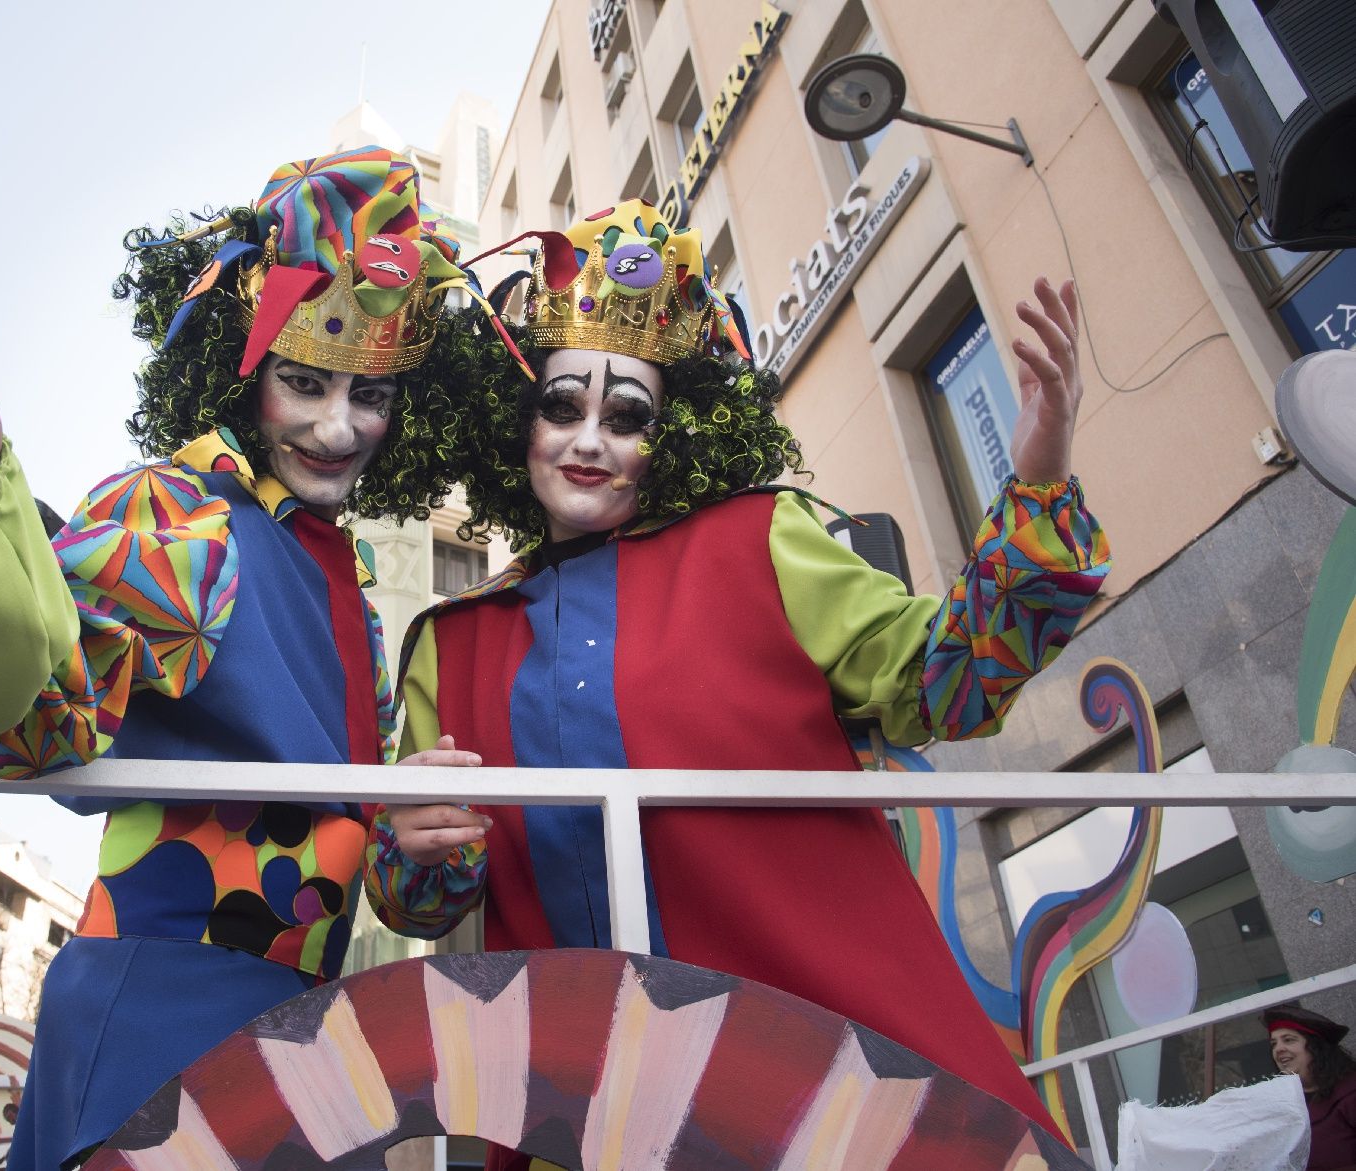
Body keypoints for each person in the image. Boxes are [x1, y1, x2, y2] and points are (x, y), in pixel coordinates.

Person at [364, 200, 1110, 1157]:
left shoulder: (764, 538)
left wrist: (1038, 483)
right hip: (581, 1113)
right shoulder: (449, 642)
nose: (589, 440)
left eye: (627, 416)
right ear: (517, 423)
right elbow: (420, 904)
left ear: (673, 435)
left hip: (829, 1082)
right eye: (561, 406)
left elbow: (948, 683)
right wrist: (418, 849)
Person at [0, 146, 487, 1171]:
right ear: (240, 369)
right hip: (164, 1017)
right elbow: (30, 701)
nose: (336, 426)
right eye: (304, 382)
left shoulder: (348, 589)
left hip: (307, 1036)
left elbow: (379, 877)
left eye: (371, 396)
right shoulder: (185, 511)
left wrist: (420, 829)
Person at [1268, 1004, 1356, 1170]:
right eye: (1274, 1043)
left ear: (1316, 1048)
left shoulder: (1351, 1092)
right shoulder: (1285, 1108)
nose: (1278, 1049)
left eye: (1288, 1040)